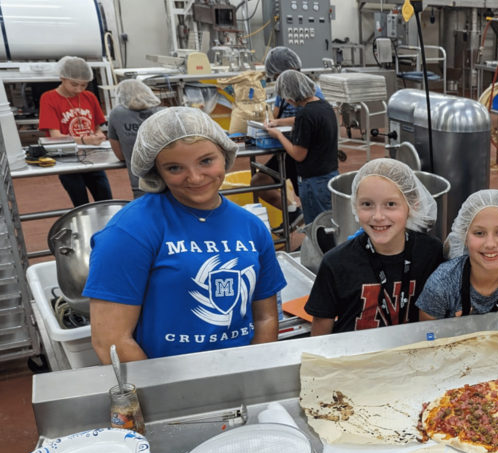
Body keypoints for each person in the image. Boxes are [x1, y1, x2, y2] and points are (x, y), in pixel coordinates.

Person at [84, 107, 287, 362]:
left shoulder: (251, 226)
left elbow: (266, 316)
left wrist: (253, 375)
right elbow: (110, 341)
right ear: (155, 171)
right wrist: (167, 397)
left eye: (206, 161)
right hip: (166, 380)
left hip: (241, 372)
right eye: (174, 168)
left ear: (224, 155)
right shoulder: (130, 231)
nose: (195, 177)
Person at [304, 159, 444, 335]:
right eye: (367, 204)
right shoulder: (336, 262)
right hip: (354, 357)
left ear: (412, 205)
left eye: (390, 204)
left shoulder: (431, 253)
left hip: (414, 356)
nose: (378, 216)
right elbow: (321, 333)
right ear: (355, 205)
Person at [417, 190, 498, 319]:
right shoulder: (441, 285)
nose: (490, 244)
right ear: (464, 236)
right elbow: (426, 334)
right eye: (479, 233)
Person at [252, 47, 327, 213]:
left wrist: (278, 125)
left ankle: (307, 221)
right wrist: (268, 121)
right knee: (259, 181)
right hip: (287, 149)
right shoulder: (282, 91)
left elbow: (313, 116)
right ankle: (293, 213)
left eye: (279, 77)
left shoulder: (313, 92)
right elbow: (276, 116)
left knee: (308, 196)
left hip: (305, 153)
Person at [265, 70, 339, 225]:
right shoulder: (324, 106)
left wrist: (278, 135)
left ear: (290, 97)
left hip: (313, 182)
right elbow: (304, 120)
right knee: (328, 224)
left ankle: (314, 248)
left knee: (315, 227)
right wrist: (278, 122)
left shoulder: (305, 115)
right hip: (329, 176)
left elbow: (298, 154)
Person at [38, 56, 112, 206]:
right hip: (67, 158)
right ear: (62, 78)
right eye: (74, 84)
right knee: (81, 204)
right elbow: (56, 136)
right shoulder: (49, 98)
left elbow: (96, 127)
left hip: (92, 156)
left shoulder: (89, 97)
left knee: (106, 200)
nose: (78, 89)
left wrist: (98, 135)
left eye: (84, 85)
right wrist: (85, 140)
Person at [107, 79, 165, 198]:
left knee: (146, 215)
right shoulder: (163, 112)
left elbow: (120, 155)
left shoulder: (117, 114)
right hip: (171, 181)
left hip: (141, 185)